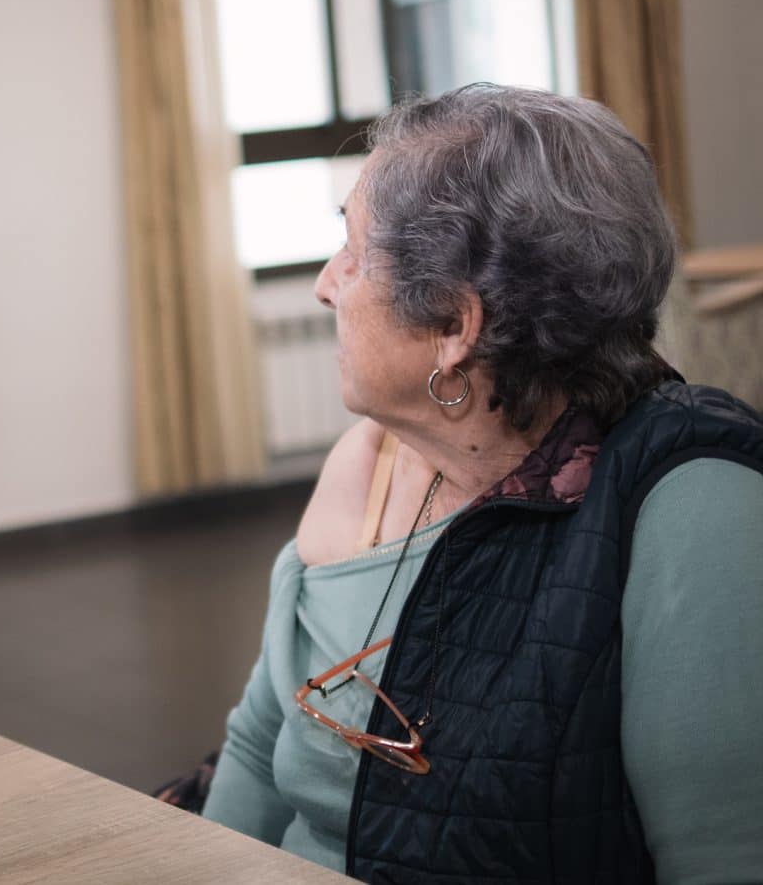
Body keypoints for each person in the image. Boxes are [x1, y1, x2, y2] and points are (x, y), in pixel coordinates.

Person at [201, 85, 763, 882]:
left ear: (452, 327)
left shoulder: (698, 511)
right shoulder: (368, 464)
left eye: (354, 253)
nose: (327, 283)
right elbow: (261, 752)